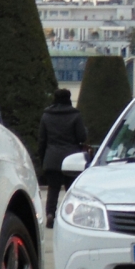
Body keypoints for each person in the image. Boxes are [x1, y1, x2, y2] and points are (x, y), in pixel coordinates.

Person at [38, 88, 87, 228]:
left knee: (53, 190)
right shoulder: (75, 115)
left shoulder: (46, 116)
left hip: (52, 158)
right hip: (72, 160)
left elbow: (42, 140)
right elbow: (82, 137)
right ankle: (71, 217)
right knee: (71, 191)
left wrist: (43, 160)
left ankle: (50, 214)